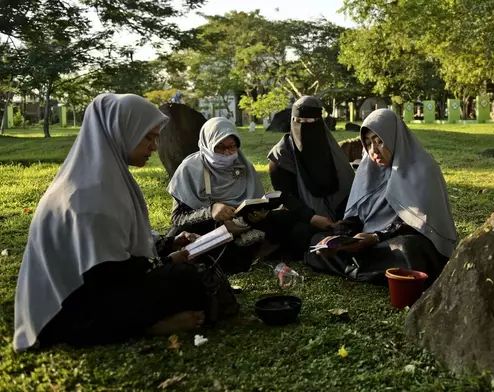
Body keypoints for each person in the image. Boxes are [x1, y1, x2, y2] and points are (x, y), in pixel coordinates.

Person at [13, 94, 238, 352]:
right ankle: (147, 325)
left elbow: (118, 249)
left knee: (190, 273)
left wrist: (166, 245)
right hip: (70, 312)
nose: (155, 147)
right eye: (149, 137)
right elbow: (109, 279)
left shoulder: (102, 178)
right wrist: (168, 261)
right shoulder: (90, 196)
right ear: (121, 132)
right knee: (188, 278)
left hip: (96, 289)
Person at [305, 109, 459, 286]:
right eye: (368, 143)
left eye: (379, 142)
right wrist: (343, 234)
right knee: (316, 241)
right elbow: (359, 214)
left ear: (394, 139)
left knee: (408, 249)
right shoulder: (368, 170)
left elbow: (420, 224)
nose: (373, 151)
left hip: (399, 238)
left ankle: (355, 267)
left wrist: (376, 237)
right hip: (368, 242)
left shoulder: (423, 169)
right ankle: (365, 269)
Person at [168, 117, 288, 274]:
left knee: (284, 218)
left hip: (243, 226)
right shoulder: (189, 169)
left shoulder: (243, 165)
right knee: (183, 234)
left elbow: (254, 202)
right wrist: (211, 211)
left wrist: (255, 215)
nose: (227, 153)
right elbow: (178, 218)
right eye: (220, 147)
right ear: (207, 144)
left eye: (232, 147)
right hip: (209, 229)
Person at [267, 96, 355, 258]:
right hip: (303, 215)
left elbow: (347, 187)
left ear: (319, 122)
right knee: (298, 231)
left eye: (309, 121)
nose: (302, 126)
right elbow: (286, 196)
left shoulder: (331, 150)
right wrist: (312, 217)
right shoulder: (282, 155)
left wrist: (343, 218)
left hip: (338, 214)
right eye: (297, 120)